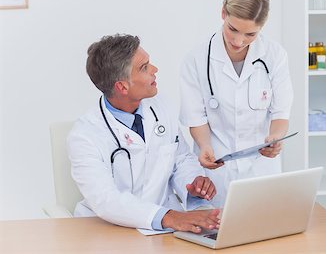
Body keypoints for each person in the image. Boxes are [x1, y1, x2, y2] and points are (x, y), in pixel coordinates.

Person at [67, 34, 220, 233]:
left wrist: (193, 184)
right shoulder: (84, 136)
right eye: (144, 67)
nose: (155, 70)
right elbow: (106, 200)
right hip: (107, 233)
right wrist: (169, 217)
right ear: (122, 86)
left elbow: (181, 158)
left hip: (165, 230)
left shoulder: (160, 105)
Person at [179, 0, 294, 207]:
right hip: (217, 171)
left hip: (261, 170)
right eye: (233, 29)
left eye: (250, 34)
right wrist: (204, 146)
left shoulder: (275, 55)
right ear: (223, 13)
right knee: (217, 234)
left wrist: (275, 138)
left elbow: (281, 111)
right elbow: (195, 117)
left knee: (264, 233)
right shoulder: (196, 59)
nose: (239, 41)